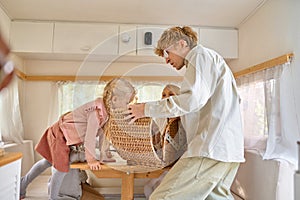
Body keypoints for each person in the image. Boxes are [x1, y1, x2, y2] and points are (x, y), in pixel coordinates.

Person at [125, 26, 244, 199]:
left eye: (168, 53)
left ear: (182, 44)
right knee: (216, 196)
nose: (167, 60)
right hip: (227, 150)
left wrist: (145, 109)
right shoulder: (212, 61)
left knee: (162, 197)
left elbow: (192, 100)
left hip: (210, 148)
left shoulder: (199, 56)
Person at [20, 78, 136, 200]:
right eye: (127, 102)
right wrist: (91, 160)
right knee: (61, 168)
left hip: (66, 136)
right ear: (115, 99)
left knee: (48, 162)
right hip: (60, 134)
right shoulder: (95, 112)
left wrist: (105, 155)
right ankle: (53, 197)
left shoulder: (106, 113)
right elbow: (90, 139)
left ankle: (23, 183)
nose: (128, 106)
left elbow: (103, 135)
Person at [144, 84, 187, 200]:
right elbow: (156, 143)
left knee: (159, 190)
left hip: (180, 165)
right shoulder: (159, 118)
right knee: (148, 188)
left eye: (171, 94)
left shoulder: (185, 119)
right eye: (163, 95)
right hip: (164, 163)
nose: (166, 98)